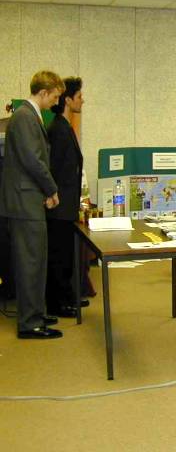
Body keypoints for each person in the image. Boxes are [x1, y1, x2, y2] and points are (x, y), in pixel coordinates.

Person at [0, 71, 65, 339]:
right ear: (43, 92)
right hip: (24, 202)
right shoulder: (26, 116)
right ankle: (30, 323)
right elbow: (33, 160)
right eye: (55, 96)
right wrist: (52, 189)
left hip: (27, 200)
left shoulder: (28, 115)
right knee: (30, 263)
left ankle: (36, 312)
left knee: (36, 261)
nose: (56, 102)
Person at [46, 76, 85, 318]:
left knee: (66, 254)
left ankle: (67, 297)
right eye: (79, 96)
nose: (83, 100)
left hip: (66, 205)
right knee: (59, 256)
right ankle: (57, 303)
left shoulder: (64, 126)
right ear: (68, 100)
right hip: (59, 206)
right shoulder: (58, 130)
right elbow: (54, 169)